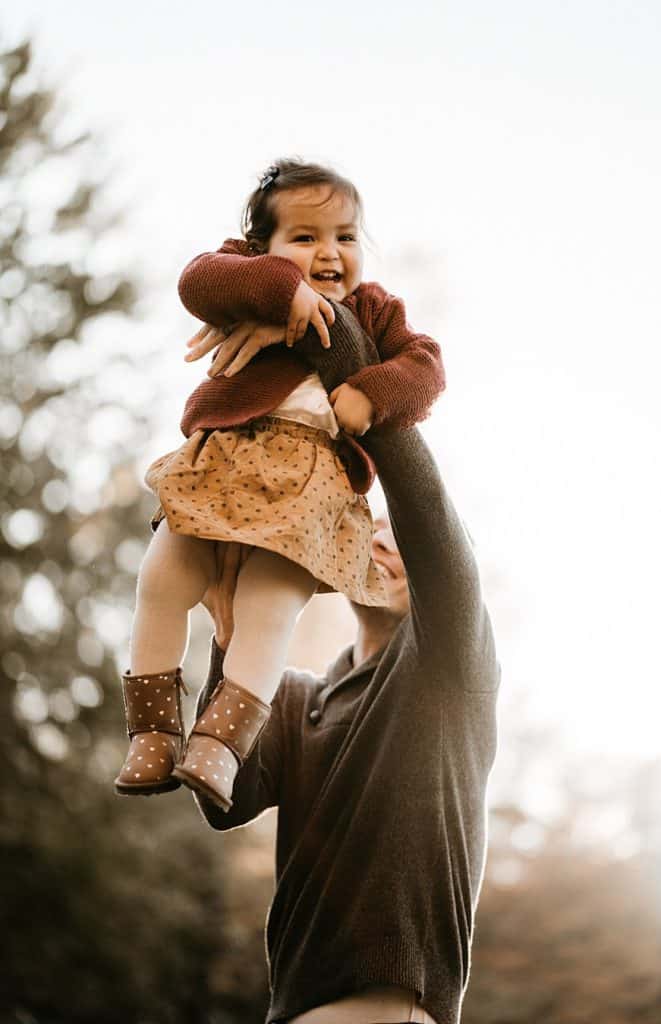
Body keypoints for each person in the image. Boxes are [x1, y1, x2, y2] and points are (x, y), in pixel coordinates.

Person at [192, 303, 500, 1024]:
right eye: (371, 533)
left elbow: (424, 509)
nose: (384, 543)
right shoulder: (299, 697)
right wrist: (230, 632)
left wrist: (323, 329)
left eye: (400, 540)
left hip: (386, 1005)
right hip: (294, 1008)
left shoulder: (447, 668)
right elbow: (226, 800)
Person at [114, 158, 445, 816]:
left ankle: (222, 743)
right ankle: (153, 730)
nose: (329, 252)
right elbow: (198, 278)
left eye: (345, 237)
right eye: (304, 236)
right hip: (222, 468)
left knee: (268, 609)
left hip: (309, 492)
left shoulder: (373, 310)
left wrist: (370, 393)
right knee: (162, 579)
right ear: (261, 244)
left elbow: (426, 368)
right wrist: (282, 291)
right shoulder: (246, 276)